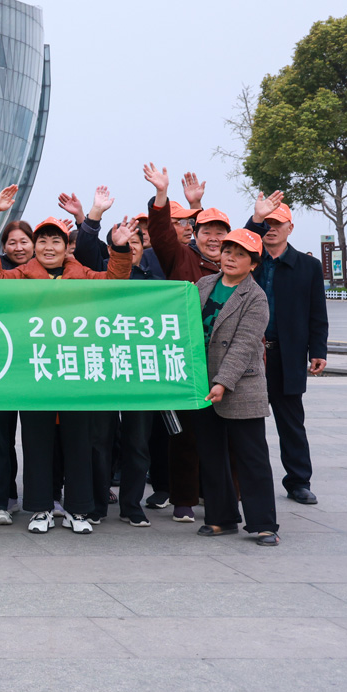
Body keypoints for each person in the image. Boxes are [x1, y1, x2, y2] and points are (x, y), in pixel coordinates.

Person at [0, 210, 134, 534]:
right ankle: (40, 509)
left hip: (75, 371)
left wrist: (119, 248)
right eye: (42, 240)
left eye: (55, 241)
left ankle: (78, 510)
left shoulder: (83, 274)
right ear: (35, 246)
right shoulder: (20, 275)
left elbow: (115, 281)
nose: (48, 247)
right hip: (36, 371)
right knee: (36, 442)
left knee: (78, 442)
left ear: (65, 246)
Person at [195, 229, 280, 545]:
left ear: (253, 264)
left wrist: (223, 382)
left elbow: (244, 344)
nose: (230, 258)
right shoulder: (203, 285)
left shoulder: (256, 297)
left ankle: (264, 523)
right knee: (211, 454)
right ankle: (221, 518)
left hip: (241, 386)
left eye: (240, 254)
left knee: (251, 456)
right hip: (202, 384)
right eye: (228, 251)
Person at [141, 164, 214, 524]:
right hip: (179, 357)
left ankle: (218, 495)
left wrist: (198, 207)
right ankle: (180, 496)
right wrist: (162, 195)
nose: (214, 239)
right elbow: (162, 235)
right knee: (181, 434)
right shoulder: (178, 256)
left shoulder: (231, 264)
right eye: (203, 231)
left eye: (221, 234)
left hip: (219, 360)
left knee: (221, 435)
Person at [247, 197, 329, 505]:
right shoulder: (248, 261)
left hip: (286, 355)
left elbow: (317, 314)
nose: (271, 229)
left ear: (290, 228)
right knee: (245, 422)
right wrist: (255, 221)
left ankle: (298, 481)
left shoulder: (308, 267)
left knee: (291, 423)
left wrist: (318, 350)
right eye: (266, 224)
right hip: (250, 355)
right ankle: (243, 482)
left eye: (277, 223)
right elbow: (245, 237)